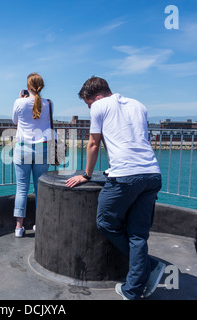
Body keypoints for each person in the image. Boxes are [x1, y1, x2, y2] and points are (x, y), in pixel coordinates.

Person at [66, 76, 166, 300]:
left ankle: (147, 266)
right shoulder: (139, 105)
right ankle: (132, 289)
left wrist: (87, 175)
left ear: (96, 96)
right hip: (152, 174)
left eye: (88, 104)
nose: (90, 108)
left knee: (106, 222)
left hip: (125, 177)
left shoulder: (99, 106)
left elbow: (93, 143)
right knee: (138, 234)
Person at [12, 73, 52, 237]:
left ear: (28, 87)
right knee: (39, 189)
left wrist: (20, 98)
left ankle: (19, 228)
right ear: (41, 86)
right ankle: (39, 223)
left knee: (22, 188)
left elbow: (15, 121)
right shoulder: (49, 103)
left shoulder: (19, 102)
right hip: (42, 148)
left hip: (23, 148)